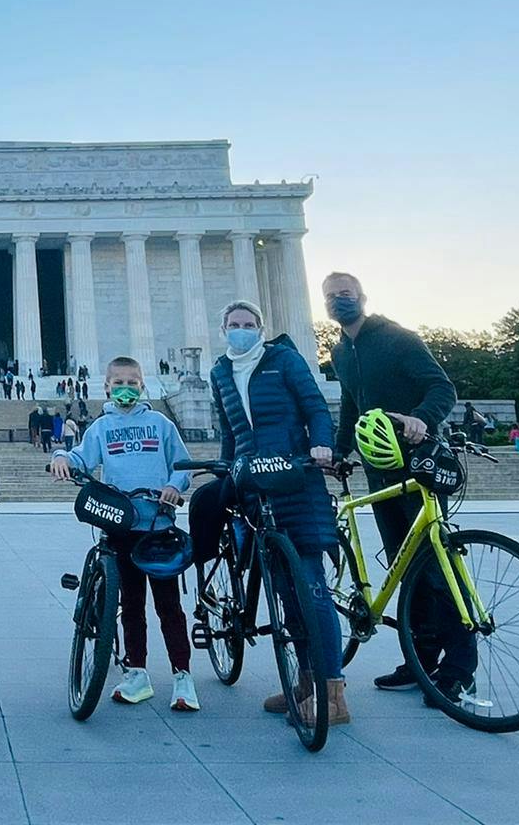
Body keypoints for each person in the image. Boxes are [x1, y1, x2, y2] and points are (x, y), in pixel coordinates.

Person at [193, 300, 348, 725]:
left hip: (296, 476)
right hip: (254, 483)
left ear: (260, 328)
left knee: (312, 585)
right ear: (223, 330)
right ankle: (305, 681)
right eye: (234, 325)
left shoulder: (284, 360)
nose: (241, 330)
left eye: (248, 324)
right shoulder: (221, 372)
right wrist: (224, 467)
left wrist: (321, 445)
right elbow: (231, 430)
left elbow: (316, 406)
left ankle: (333, 695)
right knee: (283, 588)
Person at [324, 272, 467, 704]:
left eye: (345, 295)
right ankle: (420, 662)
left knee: (438, 566)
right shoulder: (341, 351)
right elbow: (352, 403)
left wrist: (422, 417)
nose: (338, 302)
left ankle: (459, 668)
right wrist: (340, 450)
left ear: (362, 298)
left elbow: (442, 386)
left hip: (418, 461)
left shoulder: (398, 339)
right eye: (331, 297)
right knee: (405, 566)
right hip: (378, 467)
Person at [51, 356, 198, 711]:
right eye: (119, 382)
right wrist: (60, 456)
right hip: (121, 526)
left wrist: (174, 486)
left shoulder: (161, 424)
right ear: (106, 386)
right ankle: (137, 673)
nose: (126, 388)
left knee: (170, 607)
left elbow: (182, 465)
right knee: (130, 605)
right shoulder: (100, 428)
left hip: (158, 526)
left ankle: (183, 677)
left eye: (133, 382)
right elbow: (80, 458)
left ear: (143, 385)